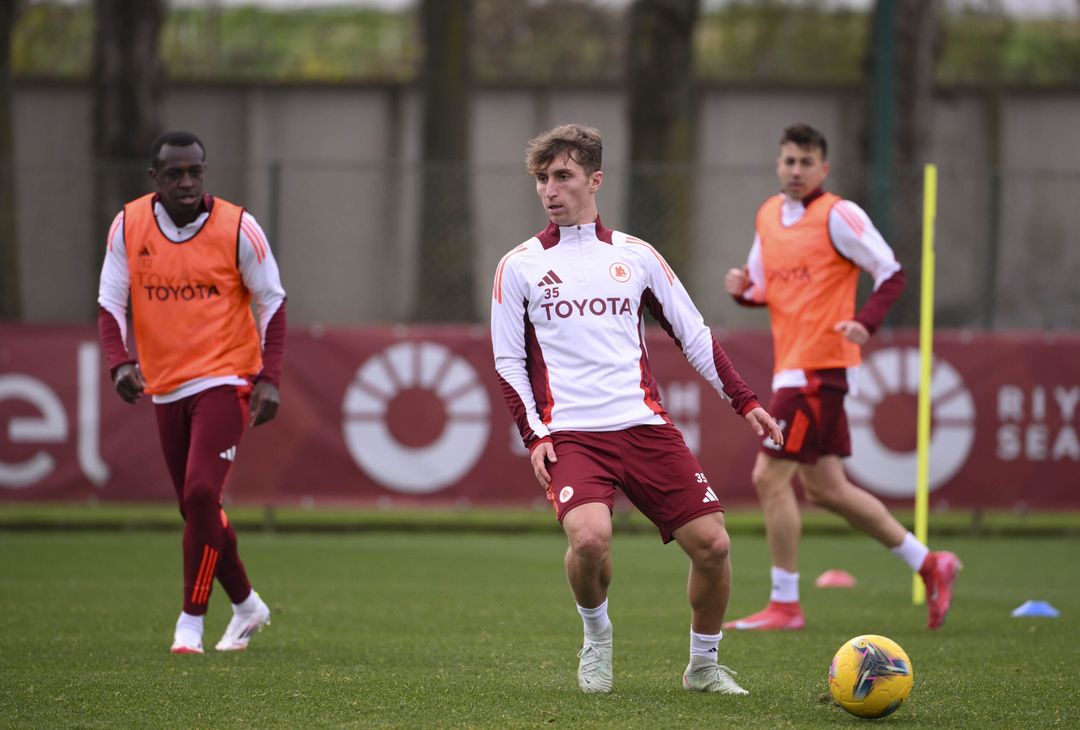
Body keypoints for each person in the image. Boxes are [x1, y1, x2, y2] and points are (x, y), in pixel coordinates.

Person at [491, 123, 784, 695]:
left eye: (563, 176)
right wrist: (535, 435)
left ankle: (703, 666)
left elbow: (693, 334)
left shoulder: (636, 256)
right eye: (542, 179)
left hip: (645, 427)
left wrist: (744, 399)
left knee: (715, 546)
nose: (550, 189)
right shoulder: (518, 265)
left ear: (595, 180)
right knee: (590, 539)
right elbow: (507, 361)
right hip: (571, 435)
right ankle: (597, 638)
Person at [721, 123, 960, 632]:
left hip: (817, 369)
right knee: (828, 489)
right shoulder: (767, 215)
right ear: (778, 164)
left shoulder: (838, 214)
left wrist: (866, 322)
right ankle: (929, 563)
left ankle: (785, 604)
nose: (796, 170)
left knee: (768, 477)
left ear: (823, 168)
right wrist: (742, 289)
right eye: (789, 160)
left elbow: (891, 271)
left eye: (806, 162)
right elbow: (763, 288)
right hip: (793, 367)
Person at [97, 131, 286, 653]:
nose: (187, 182)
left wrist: (269, 378)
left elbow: (272, 302)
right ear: (154, 177)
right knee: (196, 508)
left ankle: (191, 621)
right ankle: (246, 604)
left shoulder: (238, 226)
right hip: (165, 384)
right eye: (174, 173)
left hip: (227, 377)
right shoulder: (129, 224)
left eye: (195, 172)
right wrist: (118, 362)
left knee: (202, 494)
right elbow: (110, 302)